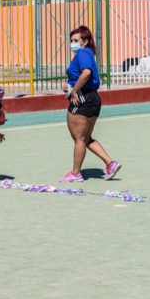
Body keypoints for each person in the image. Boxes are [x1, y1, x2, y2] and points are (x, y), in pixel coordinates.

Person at [60, 25, 121, 182]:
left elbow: (86, 73)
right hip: (91, 99)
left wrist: (74, 91)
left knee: (79, 138)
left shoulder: (83, 53)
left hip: (83, 98)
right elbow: (79, 75)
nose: (72, 43)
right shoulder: (85, 54)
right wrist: (68, 86)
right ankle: (110, 163)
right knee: (85, 138)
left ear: (85, 41)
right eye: (71, 40)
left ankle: (76, 173)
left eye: (76, 40)